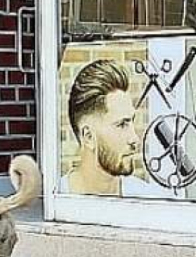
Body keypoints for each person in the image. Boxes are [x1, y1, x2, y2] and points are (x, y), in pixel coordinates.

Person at [63, 59, 167, 197]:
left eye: (132, 122)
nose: (134, 139)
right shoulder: (57, 200)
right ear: (88, 137)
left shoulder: (145, 200)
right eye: (122, 124)